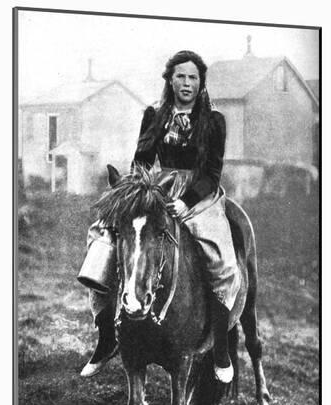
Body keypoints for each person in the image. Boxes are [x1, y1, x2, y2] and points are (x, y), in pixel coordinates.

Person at [80, 50, 240, 383]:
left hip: (199, 195)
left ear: (201, 83)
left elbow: (212, 172)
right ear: (170, 80)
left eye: (193, 77)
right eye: (181, 76)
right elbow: (140, 161)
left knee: (221, 261)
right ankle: (107, 334)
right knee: (102, 235)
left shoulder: (214, 121)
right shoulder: (154, 115)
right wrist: (136, 191)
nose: (187, 83)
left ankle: (220, 346)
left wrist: (186, 202)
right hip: (157, 188)